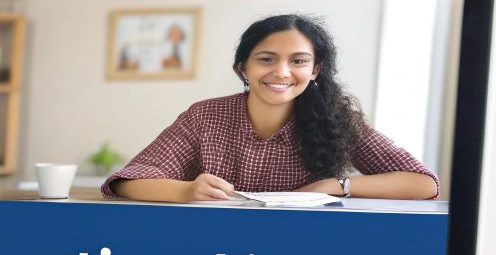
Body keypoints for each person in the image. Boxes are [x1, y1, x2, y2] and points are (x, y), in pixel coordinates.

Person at [105, 14, 440, 202]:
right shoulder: (205, 116)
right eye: (266, 59)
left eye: (298, 61)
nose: (281, 72)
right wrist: (187, 190)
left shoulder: (336, 119)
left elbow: (423, 184)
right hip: (212, 252)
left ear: (315, 71)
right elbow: (127, 182)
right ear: (243, 68)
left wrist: (337, 185)